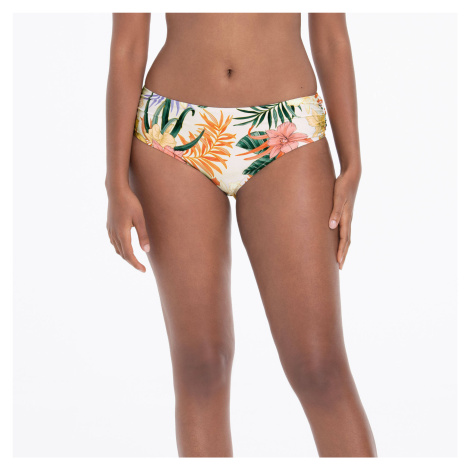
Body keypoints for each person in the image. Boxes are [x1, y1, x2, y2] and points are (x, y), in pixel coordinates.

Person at [105, 12, 377, 457]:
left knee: (320, 367)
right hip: (172, 130)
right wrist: (115, 180)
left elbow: (331, 35)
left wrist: (353, 162)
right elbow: (128, 45)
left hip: (287, 127)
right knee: (201, 366)